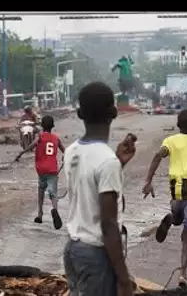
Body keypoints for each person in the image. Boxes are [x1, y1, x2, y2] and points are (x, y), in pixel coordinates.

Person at [63, 81, 136, 296]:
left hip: (74, 250)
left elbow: (88, 191)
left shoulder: (72, 151)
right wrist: (124, 279)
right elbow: (108, 225)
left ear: (79, 114)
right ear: (113, 113)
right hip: (96, 255)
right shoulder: (107, 162)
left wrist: (118, 161)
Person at [142, 109, 187, 287]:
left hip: (177, 189)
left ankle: (172, 218)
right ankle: (182, 273)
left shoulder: (170, 141)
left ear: (178, 124)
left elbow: (158, 155)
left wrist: (148, 180)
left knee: (178, 216)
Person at [15, 115, 65, 229]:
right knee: (53, 192)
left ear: (42, 126)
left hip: (41, 169)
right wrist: (66, 158)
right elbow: (64, 151)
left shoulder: (40, 137)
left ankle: (40, 214)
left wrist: (20, 154)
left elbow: (30, 146)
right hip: (53, 169)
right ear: (52, 126)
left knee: (41, 189)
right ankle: (55, 209)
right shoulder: (56, 139)